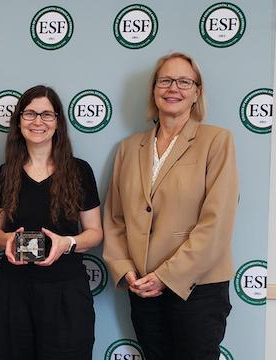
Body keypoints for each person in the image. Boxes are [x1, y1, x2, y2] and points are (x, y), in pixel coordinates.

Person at [103, 52, 239, 360]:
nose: (172, 88)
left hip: (198, 287)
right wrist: (125, 270)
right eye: (165, 80)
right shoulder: (128, 148)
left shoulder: (216, 141)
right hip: (142, 288)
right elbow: (114, 219)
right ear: (153, 89)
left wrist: (167, 275)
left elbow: (217, 222)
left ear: (197, 91)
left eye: (183, 81)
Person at [0, 85, 103, 360]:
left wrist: (67, 243)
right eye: (29, 114)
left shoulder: (79, 171)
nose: (38, 121)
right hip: (13, 292)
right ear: (18, 121)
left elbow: (95, 233)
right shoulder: (6, 172)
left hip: (66, 292)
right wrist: (9, 241)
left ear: (58, 122)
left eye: (46, 115)